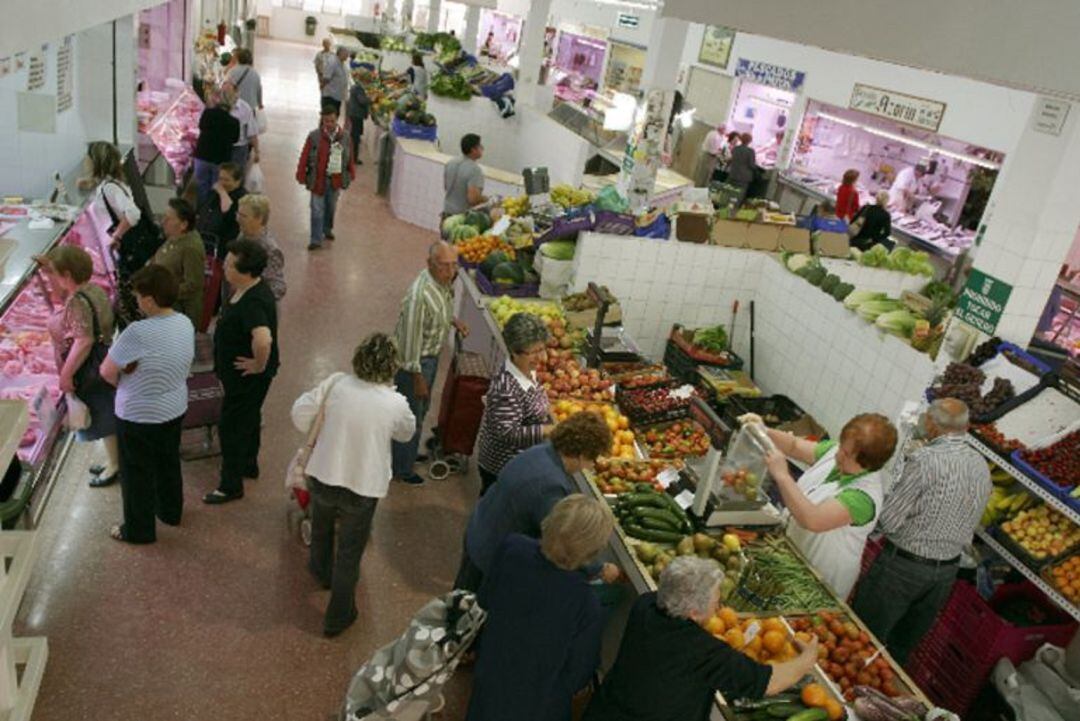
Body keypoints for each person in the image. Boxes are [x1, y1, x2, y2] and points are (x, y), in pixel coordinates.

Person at [583, 557, 819, 721]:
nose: (719, 607)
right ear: (693, 612)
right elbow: (769, 682)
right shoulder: (701, 650)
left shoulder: (645, 605)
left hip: (608, 709)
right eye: (715, 601)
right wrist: (807, 659)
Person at [291, 333, 416, 637]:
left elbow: (299, 413)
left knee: (320, 528)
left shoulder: (337, 384)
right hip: (362, 486)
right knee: (349, 551)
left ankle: (320, 572)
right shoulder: (395, 402)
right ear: (391, 367)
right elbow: (406, 434)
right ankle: (338, 616)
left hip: (322, 474)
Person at [852, 399, 990, 664]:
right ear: (966, 426)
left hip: (902, 568)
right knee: (902, 648)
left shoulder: (925, 461)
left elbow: (889, 521)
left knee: (863, 638)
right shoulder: (980, 464)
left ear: (930, 424)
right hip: (946, 574)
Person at [466, 495, 613, 721]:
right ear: (593, 551)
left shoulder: (512, 547)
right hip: (539, 702)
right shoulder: (586, 603)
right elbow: (578, 673)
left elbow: (485, 599)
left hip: (492, 672)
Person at [454, 411, 616, 592]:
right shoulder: (551, 486)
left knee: (459, 598)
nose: (591, 466)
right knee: (468, 611)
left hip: (480, 530)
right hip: (490, 556)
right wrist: (600, 568)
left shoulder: (540, 451)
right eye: (592, 459)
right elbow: (564, 541)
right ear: (581, 454)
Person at [753, 412, 898, 599]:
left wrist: (782, 475)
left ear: (867, 463)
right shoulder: (836, 454)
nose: (838, 455)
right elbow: (794, 445)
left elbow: (812, 519)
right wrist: (763, 431)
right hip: (792, 557)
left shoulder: (863, 497)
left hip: (820, 580)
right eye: (841, 446)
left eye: (846, 454)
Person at [99, 265, 195, 544]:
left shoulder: (137, 332)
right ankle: (170, 511)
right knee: (167, 462)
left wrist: (125, 387)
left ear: (150, 299)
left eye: (139, 297)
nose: (137, 302)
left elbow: (107, 371)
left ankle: (138, 530)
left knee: (136, 473)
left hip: (138, 415)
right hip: (174, 407)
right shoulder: (184, 322)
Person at [204, 240, 279, 505]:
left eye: (229, 263)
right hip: (246, 377)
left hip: (246, 378)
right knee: (249, 417)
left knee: (231, 427)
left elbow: (263, 339)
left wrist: (258, 364)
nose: (224, 266)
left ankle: (230, 485)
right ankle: (248, 464)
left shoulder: (253, 302)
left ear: (245, 270)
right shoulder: (249, 289)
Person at [39, 246, 119, 487]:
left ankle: (115, 465)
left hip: (88, 369)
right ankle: (114, 459)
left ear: (67, 275)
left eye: (54, 273)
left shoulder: (76, 301)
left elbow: (84, 340)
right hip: (103, 359)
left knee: (103, 416)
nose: (52, 278)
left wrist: (66, 375)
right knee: (106, 412)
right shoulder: (94, 288)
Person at [391, 242, 468, 484]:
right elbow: (411, 343)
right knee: (411, 415)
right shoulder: (419, 295)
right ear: (430, 264)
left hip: (429, 361)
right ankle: (401, 469)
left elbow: (437, 313)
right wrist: (418, 378)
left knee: (420, 411)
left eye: (454, 265)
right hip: (415, 365)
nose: (451, 271)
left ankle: (408, 455)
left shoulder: (442, 284)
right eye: (445, 266)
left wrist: (452, 321)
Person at [78, 141, 157, 328]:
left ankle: (130, 332)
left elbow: (133, 213)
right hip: (114, 251)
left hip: (119, 251)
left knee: (126, 297)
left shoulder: (110, 188)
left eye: (88, 158)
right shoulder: (110, 183)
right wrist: (90, 182)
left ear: (96, 161)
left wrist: (117, 236)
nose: (85, 161)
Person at [475, 312, 552, 495]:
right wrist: (548, 430)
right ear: (515, 352)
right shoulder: (507, 386)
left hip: (519, 460)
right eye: (534, 352)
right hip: (502, 466)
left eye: (542, 349)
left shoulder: (527, 369)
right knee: (495, 511)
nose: (541, 358)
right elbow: (509, 433)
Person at [295, 104, 355, 251]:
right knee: (316, 209)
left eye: (332, 121)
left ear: (337, 120)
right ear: (322, 120)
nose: (329, 124)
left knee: (331, 207)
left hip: (335, 180)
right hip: (317, 180)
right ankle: (315, 239)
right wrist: (301, 173)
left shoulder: (345, 137)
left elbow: (350, 157)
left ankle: (327, 229)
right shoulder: (314, 136)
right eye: (326, 121)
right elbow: (304, 155)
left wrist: (351, 173)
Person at [153, 198, 207, 329]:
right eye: (164, 217)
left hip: (179, 313)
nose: (163, 222)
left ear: (183, 224)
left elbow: (193, 284)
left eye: (169, 218)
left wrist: (163, 292)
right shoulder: (174, 237)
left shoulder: (191, 247)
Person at [192, 88, 240, 206]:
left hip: (202, 156)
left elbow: (201, 126)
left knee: (202, 185)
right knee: (217, 187)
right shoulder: (234, 122)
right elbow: (235, 139)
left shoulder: (208, 113)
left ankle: (201, 211)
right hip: (221, 159)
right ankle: (213, 211)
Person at [236, 194, 286, 301]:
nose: (238, 219)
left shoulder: (270, 249)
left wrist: (254, 299)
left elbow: (278, 287)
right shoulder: (243, 235)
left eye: (243, 216)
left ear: (259, 219)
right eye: (238, 214)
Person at [198, 161, 247, 259]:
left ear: (238, 181)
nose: (222, 183)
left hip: (224, 244)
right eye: (220, 179)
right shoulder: (215, 193)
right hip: (207, 241)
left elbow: (227, 210)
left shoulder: (242, 198)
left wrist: (222, 192)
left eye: (227, 180)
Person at [443, 134, 487, 217]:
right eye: (480, 146)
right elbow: (473, 199)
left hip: (446, 212)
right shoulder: (475, 170)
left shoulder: (451, 163)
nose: (482, 148)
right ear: (473, 150)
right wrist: (486, 199)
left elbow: (446, 187)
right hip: (460, 218)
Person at [225, 85, 260, 169]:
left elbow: (252, 132)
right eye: (224, 92)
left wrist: (256, 151)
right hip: (222, 146)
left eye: (229, 92)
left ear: (237, 92)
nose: (226, 95)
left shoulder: (245, 108)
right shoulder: (219, 105)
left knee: (237, 173)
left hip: (239, 149)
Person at [224, 47, 263, 115]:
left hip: (236, 106)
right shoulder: (256, 74)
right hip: (250, 107)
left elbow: (226, 88)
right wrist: (260, 104)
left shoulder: (233, 71)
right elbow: (259, 90)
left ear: (239, 58)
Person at [346, 75, 371, 167]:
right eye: (368, 81)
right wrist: (371, 99)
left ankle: (352, 157)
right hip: (357, 114)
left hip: (354, 113)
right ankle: (353, 158)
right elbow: (362, 101)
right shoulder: (359, 88)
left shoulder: (355, 87)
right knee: (355, 137)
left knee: (355, 136)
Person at [727, 132, 756, 207]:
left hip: (733, 175)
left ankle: (725, 211)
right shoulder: (750, 152)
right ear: (749, 141)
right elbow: (752, 165)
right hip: (743, 178)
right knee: (738, 197)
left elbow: (731, 160)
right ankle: (733, 213)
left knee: (729, 195)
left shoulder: (735, 149)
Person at [320, 47, 350, 115]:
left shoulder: (342, 63)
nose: (347, 55)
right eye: (346, 54)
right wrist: (322, 87)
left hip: (337, 96)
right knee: (328, 116)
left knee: (335, 115)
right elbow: (326, 78)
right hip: (330, 96)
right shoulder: (332, 62)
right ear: (340, 53)